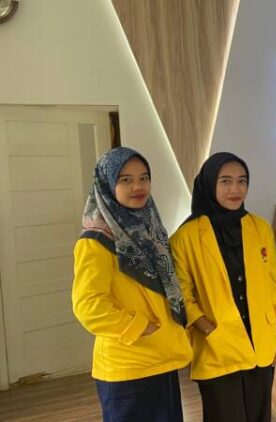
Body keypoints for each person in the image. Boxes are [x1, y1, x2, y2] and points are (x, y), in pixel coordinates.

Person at [170, 152, 276, 421]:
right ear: (209, 184)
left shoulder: (260, 228)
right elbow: (181, 296)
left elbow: (274, 287)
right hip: (217, 348)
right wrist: (209, 329)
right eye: (225, 181)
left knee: (260, 416)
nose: (235, 189)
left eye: (241, 180)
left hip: (261, 344)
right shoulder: (185, 237)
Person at [72, 147, 191, 422]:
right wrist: (138, 327)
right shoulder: (96, 241)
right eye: (125, 180)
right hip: (128, 366)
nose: (138, 187)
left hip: (163, 359)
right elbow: (88, 305)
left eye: (143, 178)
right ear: (107, 185)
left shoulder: (150, 229)